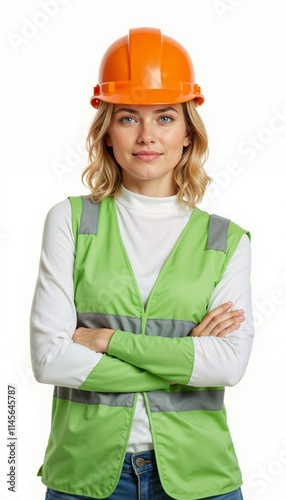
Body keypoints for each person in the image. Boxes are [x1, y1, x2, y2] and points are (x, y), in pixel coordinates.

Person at [30, 27, 254, 500]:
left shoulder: (226, 239)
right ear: (107, 132)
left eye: (166, 117)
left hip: (200, 477)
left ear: (188, 133)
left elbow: (228, 365)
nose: (148, 136)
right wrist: (184, 359)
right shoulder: (70, 220)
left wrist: (106, 339)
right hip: (85, 476)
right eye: (129, 117)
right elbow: (50, 359)